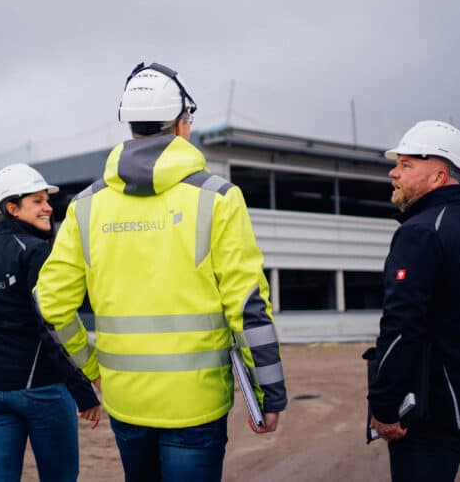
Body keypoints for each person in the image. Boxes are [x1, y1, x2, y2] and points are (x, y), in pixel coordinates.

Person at [35, 62, 286, 481]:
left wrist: (93, 366)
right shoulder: (218, 198)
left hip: (126, 402)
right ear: (183, 124)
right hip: (196, 404)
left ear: (129, 124)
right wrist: (268, 391)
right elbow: (248, 305)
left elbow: (52, 302)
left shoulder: (85, 207)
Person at [368, 120, 460, 482]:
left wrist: (385, 406)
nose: (393, 173)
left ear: (438, 176)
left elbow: (401, 328)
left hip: (434, 418)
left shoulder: (418, 233)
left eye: (406, 165)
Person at [0, 163, 100, 482]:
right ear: (12, 207)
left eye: (46, 200)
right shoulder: (38, 252)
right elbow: (51, 327)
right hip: (41, 391)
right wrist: (83, 390)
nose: (48, 207)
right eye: (37, 201)